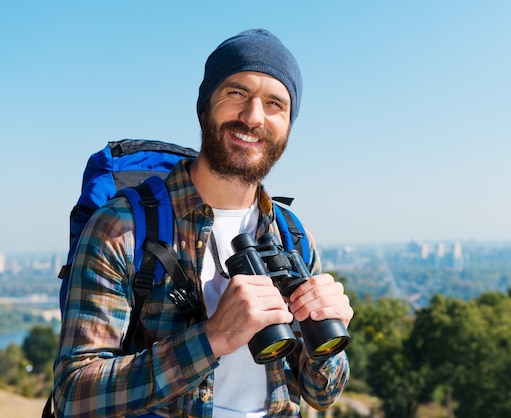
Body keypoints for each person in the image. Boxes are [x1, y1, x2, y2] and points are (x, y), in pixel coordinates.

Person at [53, 29, 352, 417]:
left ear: (288, 126)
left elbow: (321, 394)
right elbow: (73, 394)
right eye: (236, 93)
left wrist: (326, 339)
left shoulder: (291, 235)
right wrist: (211, 339)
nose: (253, 117)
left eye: (275, 104)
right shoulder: (122, 228)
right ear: (204, 106)